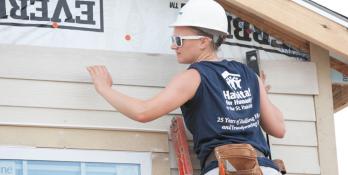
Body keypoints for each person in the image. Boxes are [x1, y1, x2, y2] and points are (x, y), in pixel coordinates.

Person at [87, 0, 285, 174]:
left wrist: (104, 89)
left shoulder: (194, 77)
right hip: (263, 169)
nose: (173, 46)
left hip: (224, 170)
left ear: (203, 42)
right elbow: (278, 129)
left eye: (178, 40)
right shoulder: (249, 75)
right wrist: (260, 97)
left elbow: (143, 112)